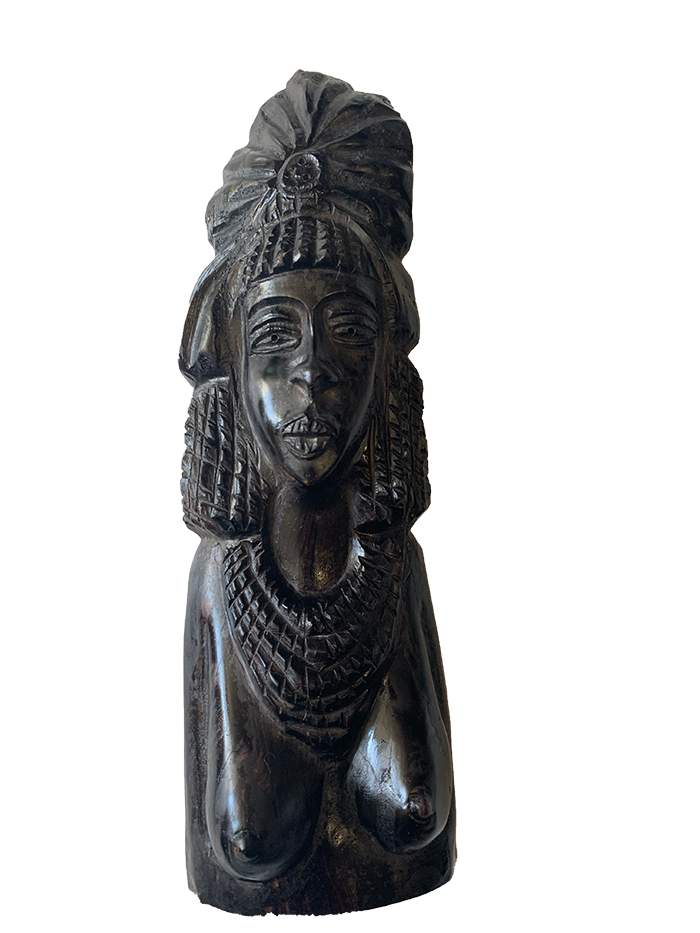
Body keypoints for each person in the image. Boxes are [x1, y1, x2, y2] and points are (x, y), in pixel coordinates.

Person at [179, 70, 455, 916]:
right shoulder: (222, 578)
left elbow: (420, 812)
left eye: (348, 330)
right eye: (276, 334)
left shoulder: (397, 563)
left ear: (388, 372)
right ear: (230, 370)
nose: (312, 375)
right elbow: (243, 837)